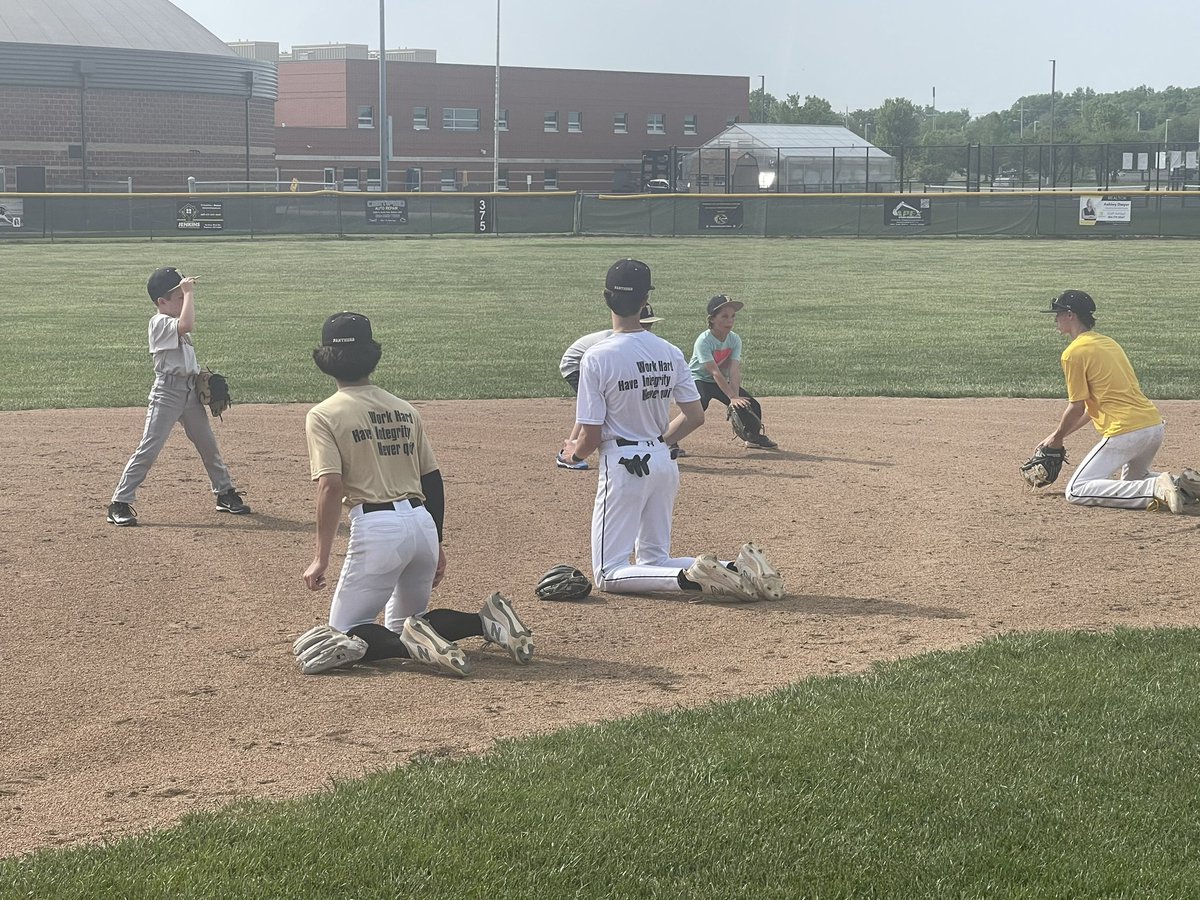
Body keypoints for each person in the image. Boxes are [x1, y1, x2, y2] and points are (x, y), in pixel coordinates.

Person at [297, 312, 534, 676]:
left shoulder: (324, 414)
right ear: (373, 355)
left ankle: (411, 645)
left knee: (343, 636)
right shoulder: (405, 410)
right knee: (408, 621)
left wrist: (320, 558)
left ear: (325, 360)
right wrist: (436, 541)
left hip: (377, 530)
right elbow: (432, 479)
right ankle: (485, 621)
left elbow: (330, 486)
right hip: (421, 522)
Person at [560, 259, 785, 601]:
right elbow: (695, 416)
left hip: (623, 465)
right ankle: (737, 567)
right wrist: (656, 445)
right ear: (644, 302)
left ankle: (694, 580)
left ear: (607, 299)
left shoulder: (596, 356)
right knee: (654, 558)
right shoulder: (669, 351)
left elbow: (590, 435)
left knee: (608, 572)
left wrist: (571, 454)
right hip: (663, 461)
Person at [107, 267, 250, 526]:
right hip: (167, 394)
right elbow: (186, 323)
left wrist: (201, 377)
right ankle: (120, 502)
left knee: (208, 445)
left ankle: (224, 493)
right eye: (178, 297)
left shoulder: (173, 324)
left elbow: (184, 350)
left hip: (190, 393)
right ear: (162, 302)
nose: (184, 300)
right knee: (149, 448)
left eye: (183, 296)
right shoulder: (159, 322)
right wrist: (189, 291)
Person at [1037, 290, 1200, 513]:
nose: (1054, 319)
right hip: (1152, 425)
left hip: (1127, 431)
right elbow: (1090, 406)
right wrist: (1059, 436)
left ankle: (1156, 487)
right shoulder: (1108, 343)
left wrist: (1057, 437)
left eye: (1057, 314)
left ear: (1070, 315)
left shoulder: (1073, 353)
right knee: (1133, 482)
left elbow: (1076, 406)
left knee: (1077, 489)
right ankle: (1183, 484)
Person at [554, 303, 663, 470]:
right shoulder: (614, 340)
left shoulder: (631, 340)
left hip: (589, 363)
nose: (648, 329)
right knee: (592, 408)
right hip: (574, 364)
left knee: (595, 406)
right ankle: (568, 453)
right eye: (645, 325)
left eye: (650, 325)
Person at [679, 294, 777, 453]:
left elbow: (734, 370)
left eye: (732, 316)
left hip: (720, 381)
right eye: (724, 316)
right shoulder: (704, 340)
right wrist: (731, 397)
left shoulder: (734, 339)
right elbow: (714, 371)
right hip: (699, 379)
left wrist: (736, 397)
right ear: (711, 319)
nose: (730, 320)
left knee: (750, 405)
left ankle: (752, 437)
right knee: (698, 406)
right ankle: (671, 440)